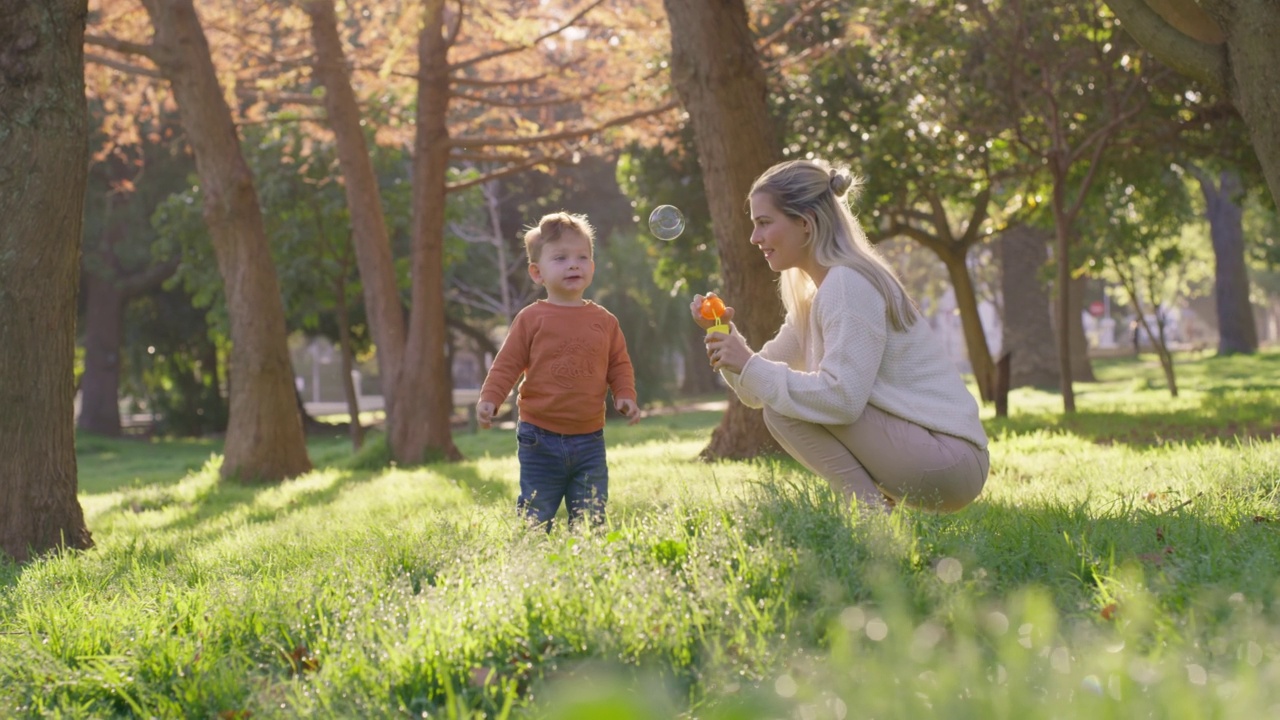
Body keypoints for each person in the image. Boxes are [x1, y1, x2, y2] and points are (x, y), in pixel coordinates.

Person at [692, 159, 988, 513]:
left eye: (764, 223)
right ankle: (873, 514)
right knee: (780, 401)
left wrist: (749, 362)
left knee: (786, 406)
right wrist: (721, 332)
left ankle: (870, 515)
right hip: (931, 456)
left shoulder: (848, 285)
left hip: (949, 460)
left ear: (805, 223)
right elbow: (756, 391)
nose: (754, 237)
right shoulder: (816, 297)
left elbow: (842, 398)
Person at [477, 211, 641, 530]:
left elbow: (619, 363)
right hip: (539, 436)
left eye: (582, 257)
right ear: (537, 273)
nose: (573, 264)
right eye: (561, 258)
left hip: (590, 438)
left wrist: (625, 395)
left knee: (591, 514)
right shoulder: (532, 318)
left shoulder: (604, 321)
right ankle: (533, 560)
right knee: (536, 512)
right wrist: (491, 398)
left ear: (592, 267)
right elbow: (507, 363)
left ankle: (587, 562)